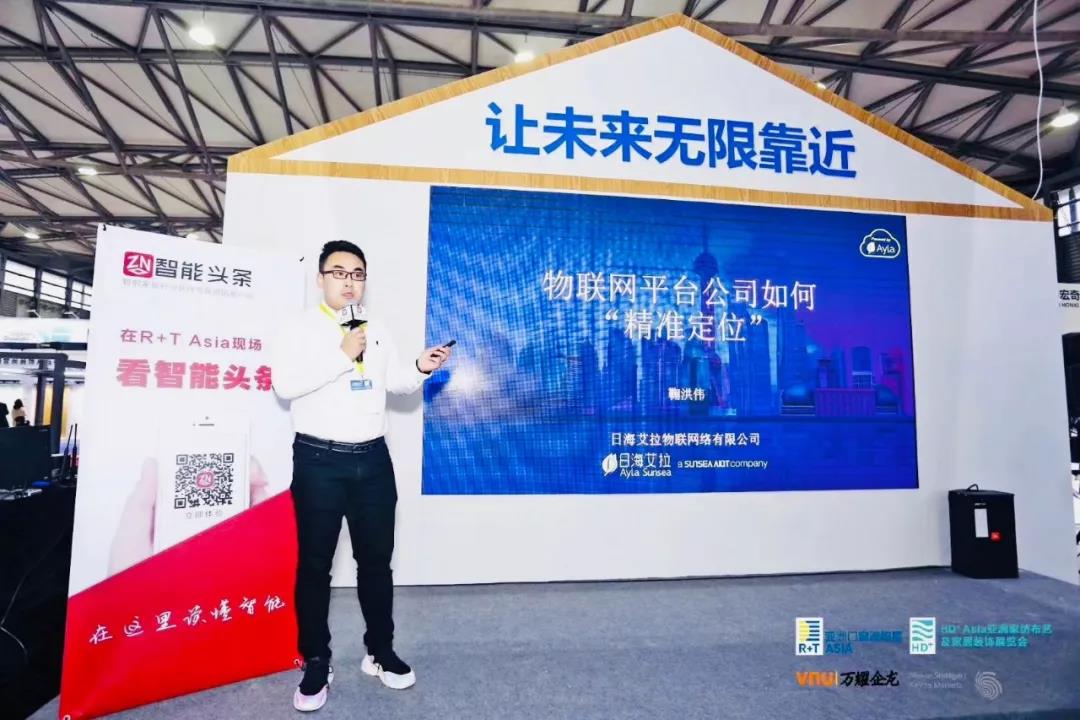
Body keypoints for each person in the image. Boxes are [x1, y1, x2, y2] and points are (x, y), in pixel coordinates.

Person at [271, 240, 451, 712]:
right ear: (320, 279)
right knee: (316, 565)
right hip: (319, 461)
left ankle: (380, 650)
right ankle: (316, 659)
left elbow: (393, 384)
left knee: (376, 562)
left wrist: (420, 367)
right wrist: (342, 353)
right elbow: (284, 385)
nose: (349, 282)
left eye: (357, 274)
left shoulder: (377, 328)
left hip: (372, 462)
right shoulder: (299, 328)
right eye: (339, 272)